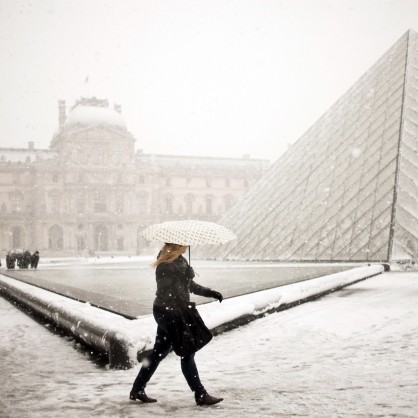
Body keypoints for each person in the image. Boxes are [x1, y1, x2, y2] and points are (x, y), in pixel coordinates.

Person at [130, 243, 224, 406]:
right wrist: (181, 277)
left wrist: (210, 292)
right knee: (187, 351)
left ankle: (137, 389)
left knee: (159, 352)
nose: (186, 247)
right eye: (183, 244)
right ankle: (200, 394)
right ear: (175, 245)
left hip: (172, 311)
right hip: (169, 312)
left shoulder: (180, 260)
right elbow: (164, 290)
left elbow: (190, 287)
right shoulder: (165, 264)